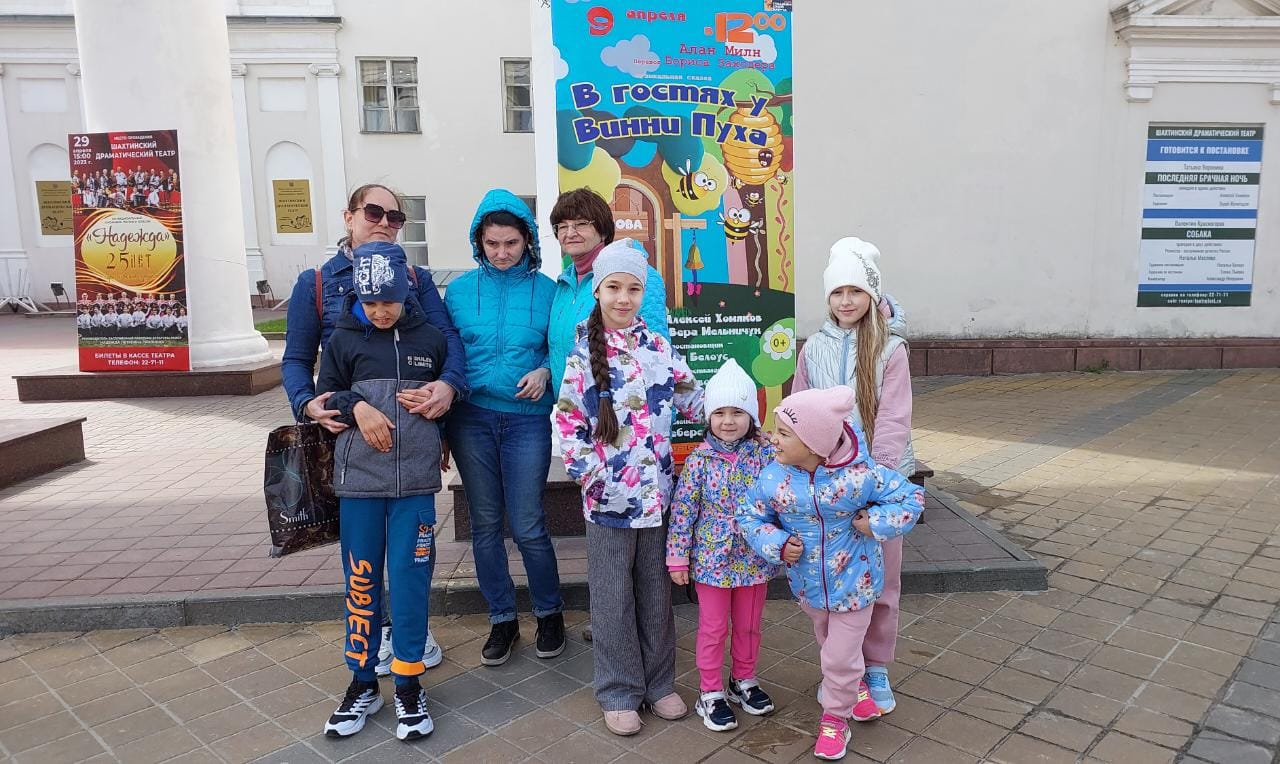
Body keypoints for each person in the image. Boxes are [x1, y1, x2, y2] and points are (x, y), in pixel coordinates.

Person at [283, 183, 466, 673]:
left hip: (412, 441)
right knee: (363, 550)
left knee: (410, 550)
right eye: (373, 212)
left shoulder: (416, 278)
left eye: (395, 216)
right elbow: (297, 359)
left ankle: (408, 631)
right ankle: (374, 633)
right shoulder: (316, 283)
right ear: (349, 217)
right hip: (351, 438)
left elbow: (445, 341)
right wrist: (308, 403)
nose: (385, 221)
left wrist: (447, 386)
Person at [553, 240, 703, 736]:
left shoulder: (657, 348)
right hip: (609, 504)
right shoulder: (582, 355)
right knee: (613, 598)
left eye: (633, 289)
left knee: (656, 595)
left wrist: (735, 414)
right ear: (597, 290)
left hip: (657, 499)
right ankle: (618, 690)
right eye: (614, 287)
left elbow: (692, 397)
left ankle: (659, 684)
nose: (623, 298)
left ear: (644, 293)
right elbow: (568, 425)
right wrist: (594, 478)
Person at [737, 386, 924, 761]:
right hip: (809, 588)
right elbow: (750, 515)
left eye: (784, 433)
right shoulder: (774, 479)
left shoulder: (860, 476)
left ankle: (835, 720)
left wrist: (876, 521)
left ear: (814, 444)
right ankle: (853, 687)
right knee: (831, 646)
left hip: (856, 586)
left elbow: (911, 498)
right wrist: (777, 542)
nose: (774, 438)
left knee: (838, 656)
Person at [316, 242, 446, 742]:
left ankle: (409, 682)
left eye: (388, 300)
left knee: (411, 582)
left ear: (405, 292)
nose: (380, 311)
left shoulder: (429, 337)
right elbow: (326, 394)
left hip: (415, 486)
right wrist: (356, 406)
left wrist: (443, 403)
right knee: (362, 582)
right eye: (370, 302)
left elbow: (449, 394)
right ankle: (363, 682)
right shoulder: (343, 339)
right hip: (360, 485)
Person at [791, 237, 914, 718]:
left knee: (881, 581)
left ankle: (875, 666)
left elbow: (894, 418)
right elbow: (798, 412)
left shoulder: (891, 349)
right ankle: (841, 669)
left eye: (856, 291)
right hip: (826, 491)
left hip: (878, 489)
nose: (846, 301)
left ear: (872, 294)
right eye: (838, 291)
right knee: (829, 582)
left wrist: (875, 485)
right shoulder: (813, 349)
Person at [443, 189, 565, 665]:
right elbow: (445, 354)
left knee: (529, 523)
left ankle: (549, 614)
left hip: (526, 422)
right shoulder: (458, 292)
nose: (501, 252)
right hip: (470, 418)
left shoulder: (549, 292)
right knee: (486, 524)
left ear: (527, 240)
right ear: (479, 242)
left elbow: (562, 347)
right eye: (492, 243)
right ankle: (502, 619)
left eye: (511, 243)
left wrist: (546, 372)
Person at [666, 359, 780, 732]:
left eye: (737, 412)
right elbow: (683, 511)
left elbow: (782, 497)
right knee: (713, 627)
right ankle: (710, 690)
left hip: (754, 557)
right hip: (711, 561)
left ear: (752, 417)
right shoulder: (699, 460)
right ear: (708, 417)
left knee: (749, 625)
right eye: (719, 413)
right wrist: (678, 558)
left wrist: (783, 541)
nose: (728, 421)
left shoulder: (765, 455)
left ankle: (743, 678)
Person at [547, 188, 670, 394]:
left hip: (622, 407)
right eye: (562, 226)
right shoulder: (564, 284)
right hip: (572, 407)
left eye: (581, 224)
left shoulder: (637, 277)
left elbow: (658, 356)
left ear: (603, 231)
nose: (570, 233)